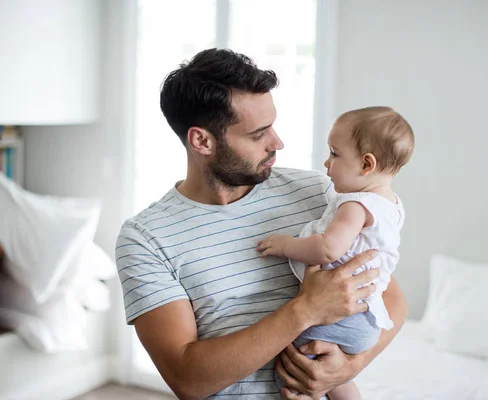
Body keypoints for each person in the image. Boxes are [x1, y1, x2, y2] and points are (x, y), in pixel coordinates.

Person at [115, 48, 407, 400]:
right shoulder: (146, 239)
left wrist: (348, 367)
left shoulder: (320, 192)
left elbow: (389, 298)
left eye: (273, 125)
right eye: (259, 134)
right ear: (202, 141)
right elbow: (187, 379)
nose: (278, 143)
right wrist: (306, 309)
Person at [257, 106, 413, 400]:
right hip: (367, 316)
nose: (326, 163)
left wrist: (284, 245)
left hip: (343, 317)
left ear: (367, 164)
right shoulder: (392, 205)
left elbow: (328, 248)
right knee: (337, 381)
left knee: (291, 366)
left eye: (335, 154)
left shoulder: (355, 206)